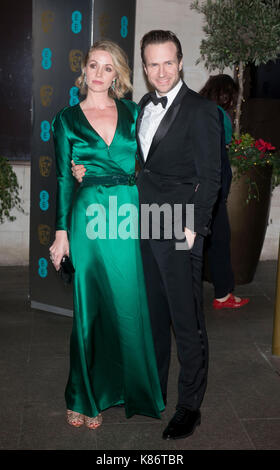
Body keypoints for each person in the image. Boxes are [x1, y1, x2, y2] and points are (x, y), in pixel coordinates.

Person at [72, 30, 221, 441]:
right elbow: (130, 163)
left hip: (179, 228)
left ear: (180, 61)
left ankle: (189, 406)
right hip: (143, 223)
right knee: (153, 316)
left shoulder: (201, 111)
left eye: (168, 62)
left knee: (186, 321)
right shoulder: (139, 106)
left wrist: (196, 229)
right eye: (153, 64)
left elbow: (212, 177)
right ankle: (151, 390)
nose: (161, 71)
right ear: (143, 66)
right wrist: (84, 171)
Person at [49, 40, 165, 430]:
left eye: (108, 68)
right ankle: (82, 396)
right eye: (93, 66)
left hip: (127, 214)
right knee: (90, 307)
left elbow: (152, 162)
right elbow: (64, 177)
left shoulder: (134, 112)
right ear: (83, 71)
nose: (99, 74)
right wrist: (61, 233)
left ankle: (129, 389)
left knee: (128, 303)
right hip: (89, 217)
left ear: (117, 75)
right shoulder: (66, 119)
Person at [199, 74, 250, 309]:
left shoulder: (194, 109)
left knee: (191, 241)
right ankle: (223, 294)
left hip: (191, 186)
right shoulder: (221, 116)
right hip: (214, 184)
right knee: (220, 239)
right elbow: (225, 146)